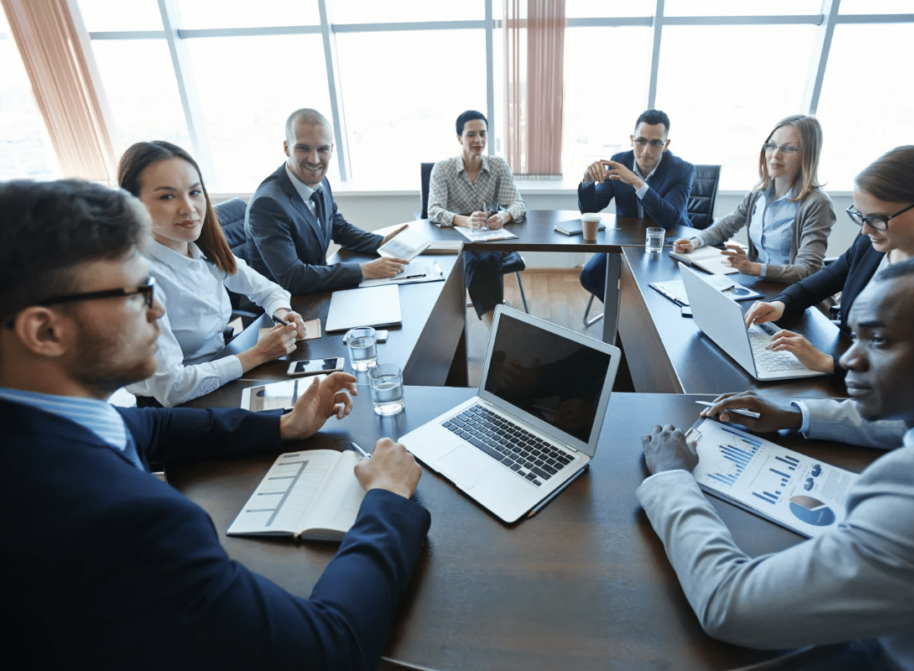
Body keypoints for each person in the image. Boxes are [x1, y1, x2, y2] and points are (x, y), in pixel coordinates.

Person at [0, 179, 430, 671]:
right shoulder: (128, 524)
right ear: (45, 331)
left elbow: (149, 428)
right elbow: (330, 650)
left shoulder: (37, 415)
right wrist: (389, 499)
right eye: (138, 292)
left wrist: (284, 425)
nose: (158, 309)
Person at [639, 254, 914, 670]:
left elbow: (732, 606)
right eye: (856, 337)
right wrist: (798, 413)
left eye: (879, 341)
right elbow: (912, 419)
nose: (847, 361)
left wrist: (671, 477)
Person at [744, 145, 914, 375]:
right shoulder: (874, 241)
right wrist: (782, 304)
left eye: (877, 218)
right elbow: (828, 278)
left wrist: (827, 363)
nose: (865, 230)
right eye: (860, 216)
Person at [117, 141, 302, 407]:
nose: (188, 208)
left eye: (194, 192)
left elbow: (269, 290)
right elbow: (172, 388)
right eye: (167, 196)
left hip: (223, 373)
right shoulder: (139, 281)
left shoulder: (202, 250)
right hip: (178, 408)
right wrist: (259, 354)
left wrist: (284, 315)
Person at [245, 108, 408, 293]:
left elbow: (339, 228)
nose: (314, 160)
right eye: (303, 148)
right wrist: (364, 270)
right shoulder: (267, 205)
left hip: (317, 290)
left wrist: (381, 242)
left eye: (322, 149)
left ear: (332, 149)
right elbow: (293, 278)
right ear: (286, 148)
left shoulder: (320, 181)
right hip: (285, 308)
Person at [673, 115, 835, 283]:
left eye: (788, 149)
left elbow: (808, 270)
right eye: (771, 146)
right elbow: (726, 226)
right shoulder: (758, 194)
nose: (775, 155)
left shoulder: (817, 204)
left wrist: (754, 268)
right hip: (760, 285)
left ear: (807, 155)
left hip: (791, 294)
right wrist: (695, 242)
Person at [578, 109, 694, 303]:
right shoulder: (620, 161)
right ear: (632, 139)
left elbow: (669, 218)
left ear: (666, 145)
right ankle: (621, 321)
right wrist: (587, 181)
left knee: (654, 292)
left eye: (655, 143)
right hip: (628, 240)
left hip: (669, 242)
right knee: (590, 276)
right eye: (641, 141)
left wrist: (637, 182)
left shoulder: (682, 170)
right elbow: (590, 209)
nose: (646, 150)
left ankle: (637, 320)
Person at [427, 110, 527, 328]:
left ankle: (496, 330)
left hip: (489, 237)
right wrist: (463, 220)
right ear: (459, 138)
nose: (478, 140)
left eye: (482, 134)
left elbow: (518, 204)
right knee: (472, 261)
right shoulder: (443, 169)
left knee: (489, 258)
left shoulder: (498, 166)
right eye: (471, 134)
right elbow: (433, 211)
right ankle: (497, 328)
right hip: (456, 239)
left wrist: (503, 215)